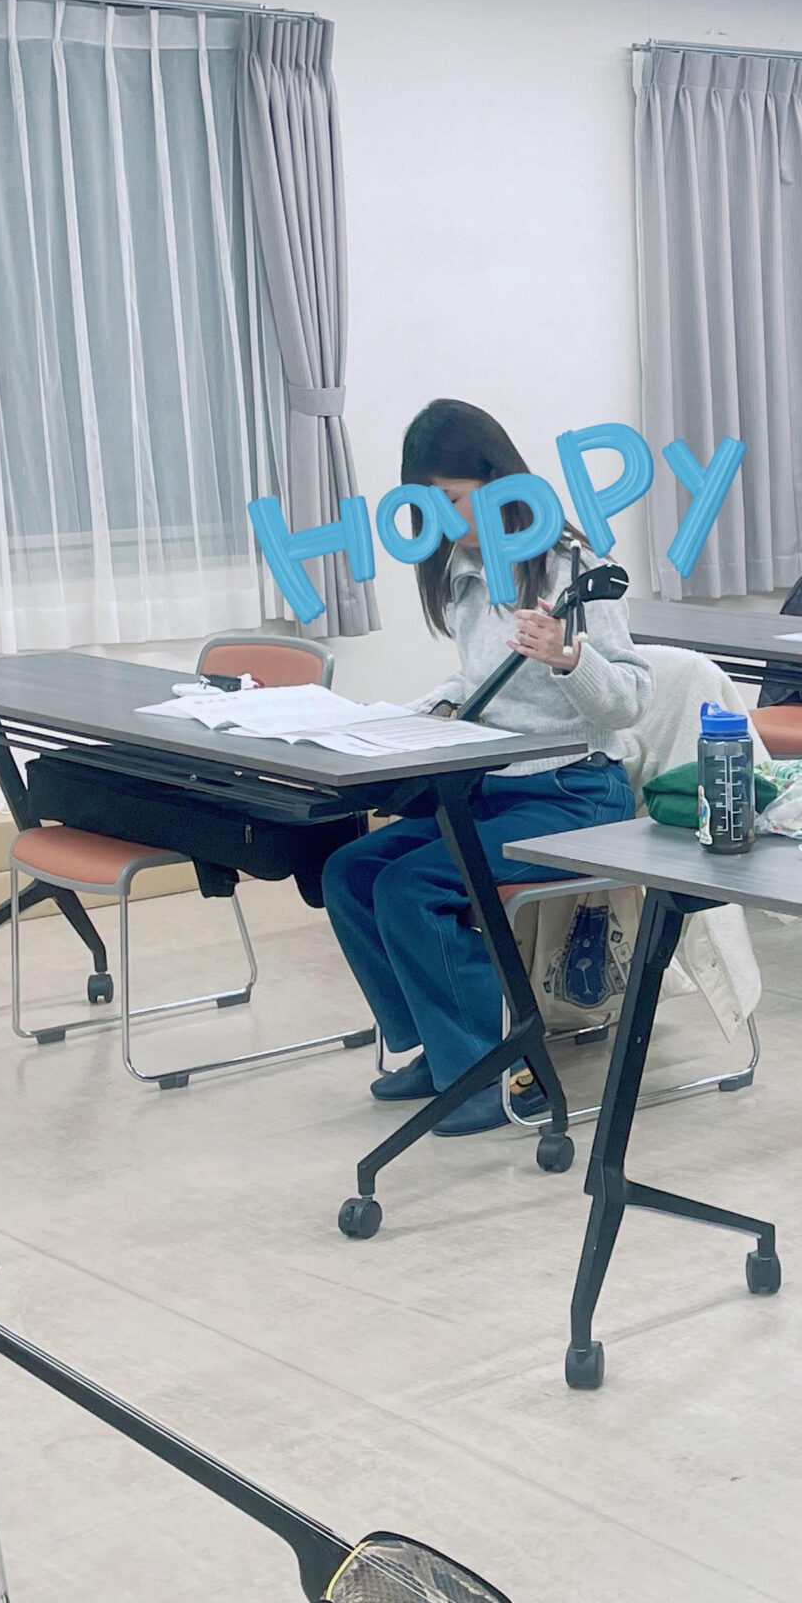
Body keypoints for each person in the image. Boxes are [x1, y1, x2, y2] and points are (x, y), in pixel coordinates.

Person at [322, 399, 650, 1137]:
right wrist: (393, 718)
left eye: (452, 498)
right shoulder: (465, 570)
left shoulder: (573, 567)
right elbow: (476, 684)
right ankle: (444, 1051)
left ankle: (494, 1075)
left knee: (412, 887)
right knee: (350, 871)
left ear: (498, 481)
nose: (440, 518)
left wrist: (569, 658)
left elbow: (629, 699)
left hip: (575, 793)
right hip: (495, 788)